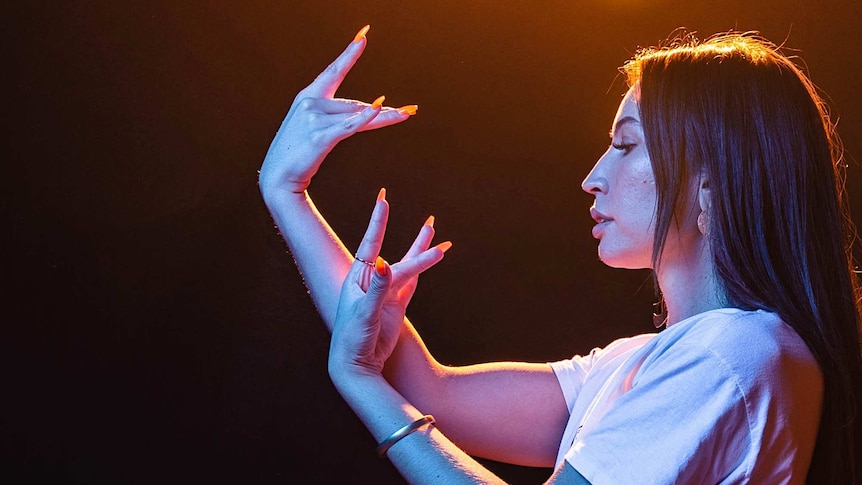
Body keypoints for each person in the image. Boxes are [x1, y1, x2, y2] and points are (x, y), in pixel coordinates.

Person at [259, 26, 862, 484]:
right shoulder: (663, 361)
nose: (593, 179)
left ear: (712, 185)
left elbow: (389, 386)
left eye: (627, 146)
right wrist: (287, 193)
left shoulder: (731, 355)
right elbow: (430, 392)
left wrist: (358, 382)